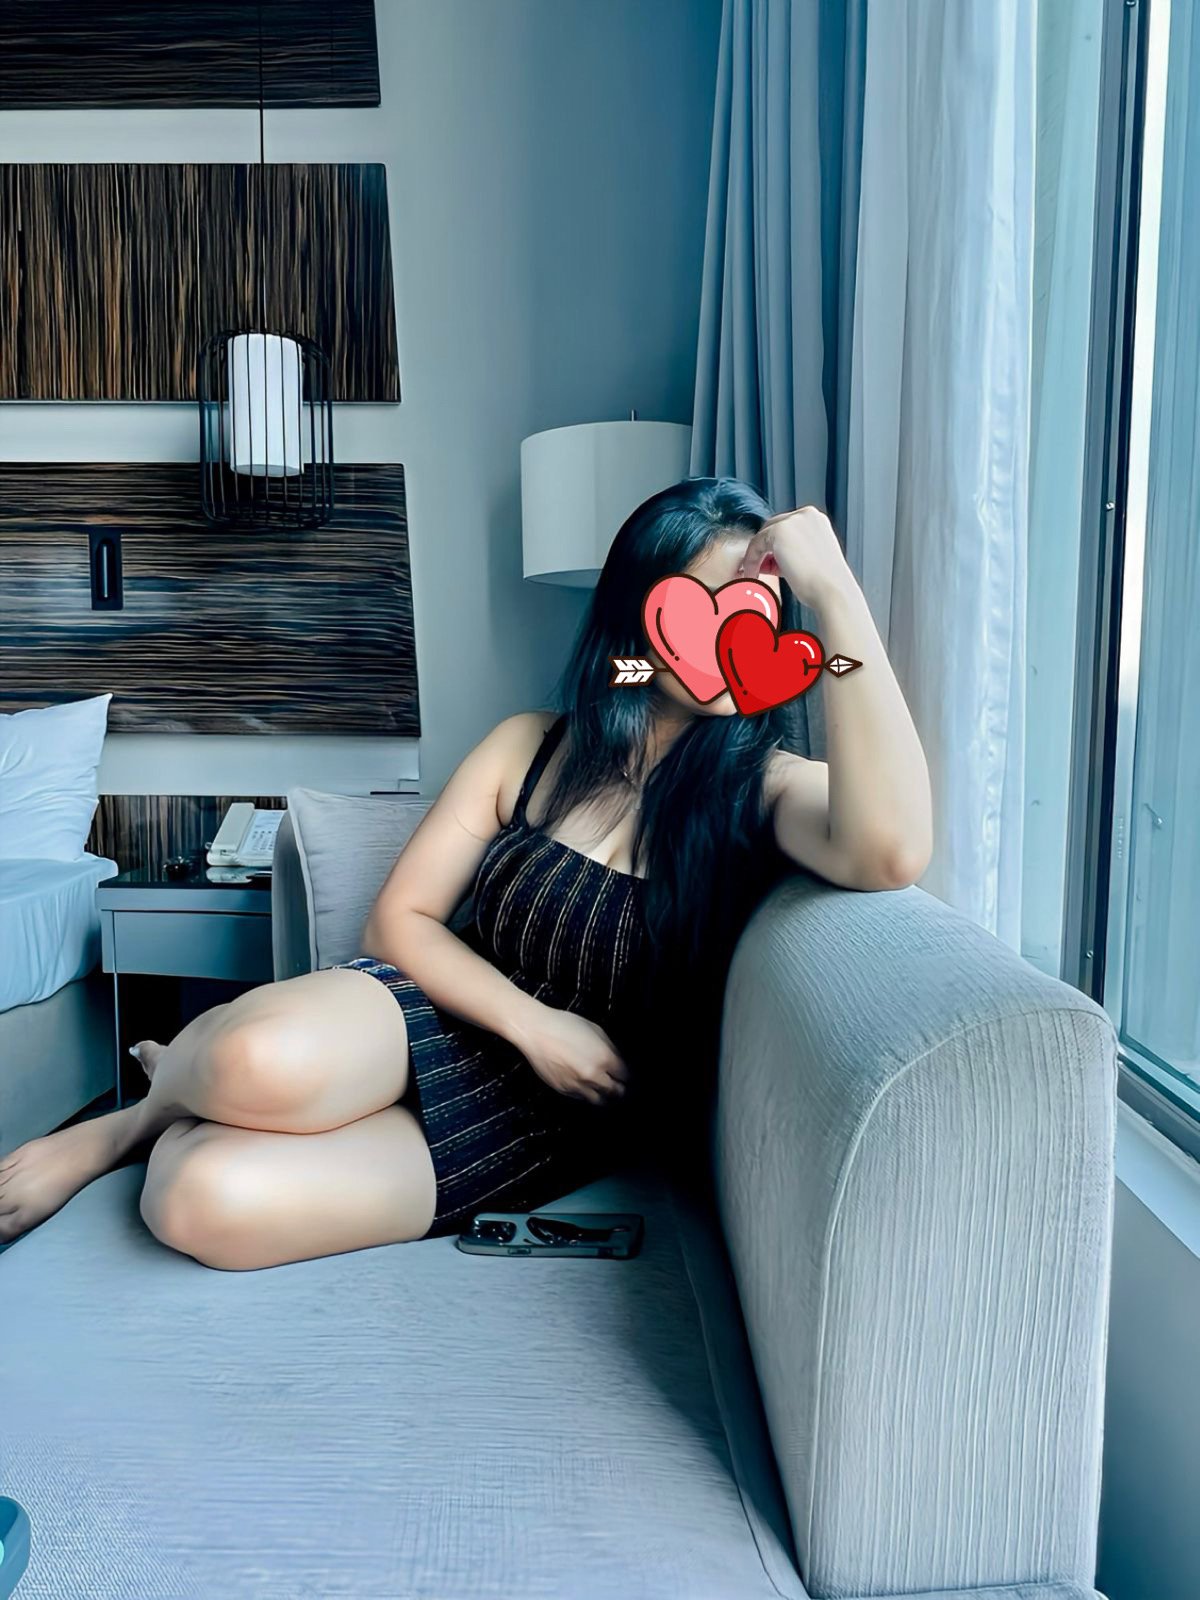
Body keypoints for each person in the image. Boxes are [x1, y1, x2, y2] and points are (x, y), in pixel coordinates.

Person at [0, 479, 932, 1268]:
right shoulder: (532, 745)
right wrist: (534, 1023)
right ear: (639, 620)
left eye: (751, 607)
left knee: (200, 1203)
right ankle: (130, 1122)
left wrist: (836, 594)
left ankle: (183, 1096)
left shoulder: (766, 789)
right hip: (432, 1010)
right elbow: (399, 921)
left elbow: (890, 850)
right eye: (695, 604)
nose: (723, 634)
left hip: (550, 1115)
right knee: (251, 1061)